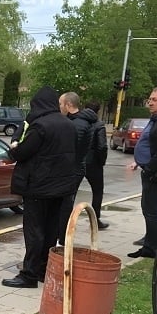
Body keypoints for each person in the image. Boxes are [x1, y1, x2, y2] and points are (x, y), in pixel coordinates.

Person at [2, 86, 77, 288]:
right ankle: (44, 269)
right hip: (60, 188)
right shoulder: (68, 125)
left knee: (34, 231)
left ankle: (29, 274)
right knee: (51, 230)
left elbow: (21, 154)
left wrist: (15, 145)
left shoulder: (40, 126)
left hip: (38, 187)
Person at [127, 86, 157, 259]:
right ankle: (151, 243)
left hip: (155, 173)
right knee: (150, 209)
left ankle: (153, 248)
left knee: (153, 211)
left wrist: (150, 169)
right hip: (150, 171)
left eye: (155, 100)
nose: (150, 102)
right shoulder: (156, 118)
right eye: (150, 99)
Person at [56, 91, 97, 242]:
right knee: (64, 203)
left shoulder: (78, 124)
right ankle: (61, 235)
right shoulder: (77, 121)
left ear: (68, 105)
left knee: (65, 204)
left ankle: (62, 238)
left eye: (61, 104)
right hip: (73, 168)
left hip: (72, 170)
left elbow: (71, 148)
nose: (59, 107)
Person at [82, 101, 109, 229]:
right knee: (97, 191)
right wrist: (101, 161)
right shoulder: (99, 125)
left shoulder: (78, 122)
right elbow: (102, 146)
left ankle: (65, 219)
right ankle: (95, 220)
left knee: (71, 191)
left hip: (79, 161)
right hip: (93, 163)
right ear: (98, 111)